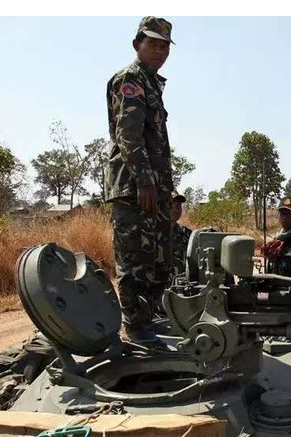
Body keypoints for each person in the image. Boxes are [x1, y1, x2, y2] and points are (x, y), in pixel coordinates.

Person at [105, 17, 175, 347]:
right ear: (137, 44)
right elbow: (128, 134)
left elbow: (155, 144)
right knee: (135, 262)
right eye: (153, 44)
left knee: (159, 260)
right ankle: (135, 328)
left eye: (165, 46)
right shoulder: (130, 79)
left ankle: (149, 325)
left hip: (153, 190)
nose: (160, 51)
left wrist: (164, 190)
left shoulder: (151, 84)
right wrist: (145, 181)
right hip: (134, 189)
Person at [170, 190, 192, 277]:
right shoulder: (150, 235)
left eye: (179, 205)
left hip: (181, 283)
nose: (177, 209)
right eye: (172, 205)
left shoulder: (187, 234)